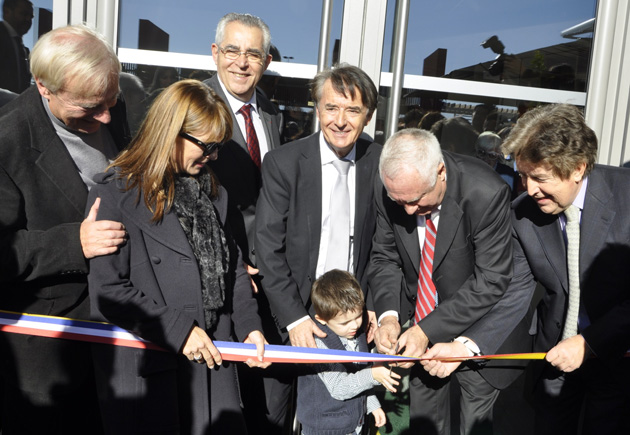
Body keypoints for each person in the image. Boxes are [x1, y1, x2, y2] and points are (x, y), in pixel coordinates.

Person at [87, 80, 269, 435]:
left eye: (217, 147)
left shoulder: (214, 193)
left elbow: (232, 269)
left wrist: (250, 328)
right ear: (171, 132)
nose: (213, 156)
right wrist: (179, 331)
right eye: (207, 146)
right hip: (151, 369)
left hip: (214, 364)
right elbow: (108, 290)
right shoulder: (114, 192)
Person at [0, 24, 130, 434]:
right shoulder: (7, 140)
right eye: (90, 107)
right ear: (44, 87)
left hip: (121, 337)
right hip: (50, 355)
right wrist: (73, 242)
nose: (106, 116)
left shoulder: (116, 108)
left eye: (110, 100)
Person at [369, 128, 524, 434]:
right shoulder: (392, 187)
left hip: (476, 330)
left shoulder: (485, 192)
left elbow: (491, 279)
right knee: (426, 423)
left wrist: (426, 330)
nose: (409, 210)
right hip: (420, 332)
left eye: (416, 199)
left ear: (440, 172)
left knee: (473, 426)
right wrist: (388, 317)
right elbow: (385, 256)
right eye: (399, 201)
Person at [497, 103, 630, 434]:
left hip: (620, 357)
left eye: (540, 178)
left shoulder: (626, 197)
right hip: (555, 358)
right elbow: (513, 292)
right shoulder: (523, 213)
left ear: (578, 168)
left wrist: (589, 343)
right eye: (523, 176)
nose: (529, 189)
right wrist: (464, 344)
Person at [256, 64, 382, 351]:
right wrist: (294, 317)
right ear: (317, 110)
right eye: (331, 108)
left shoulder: (380, 163)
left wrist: (376, 306)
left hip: (354, 322)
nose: (340, 121)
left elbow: (384, 246)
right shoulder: (283, 163)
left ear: (368, 116)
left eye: (352, 110)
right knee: (279, 397)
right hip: (293, 315)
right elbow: (267, 246)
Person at [203, 12, 286, 433]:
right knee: (222, 399)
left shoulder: (270, 112)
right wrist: (232, 261)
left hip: (264, 273)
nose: (241, 62)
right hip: (218, 274)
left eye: (252, 53)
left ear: (266, 61)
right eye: (232, 51)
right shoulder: (193, 105)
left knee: (263, 393)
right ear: (215, 53)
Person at [297, 269, 399, 435]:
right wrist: (372, 375)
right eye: (345, 323)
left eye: (358, 316)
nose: (354, 326)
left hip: (354, 424)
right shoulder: (318, 345)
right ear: (322, 319)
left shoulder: (357, 334)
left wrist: (372, 405)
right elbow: (339, 387)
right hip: (324, 428)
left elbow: (359, 376)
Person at [0, 0, 32, 93]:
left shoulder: (24, 50)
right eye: (24, 14)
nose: (28, 20)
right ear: (7, 12)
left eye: (31, 16)